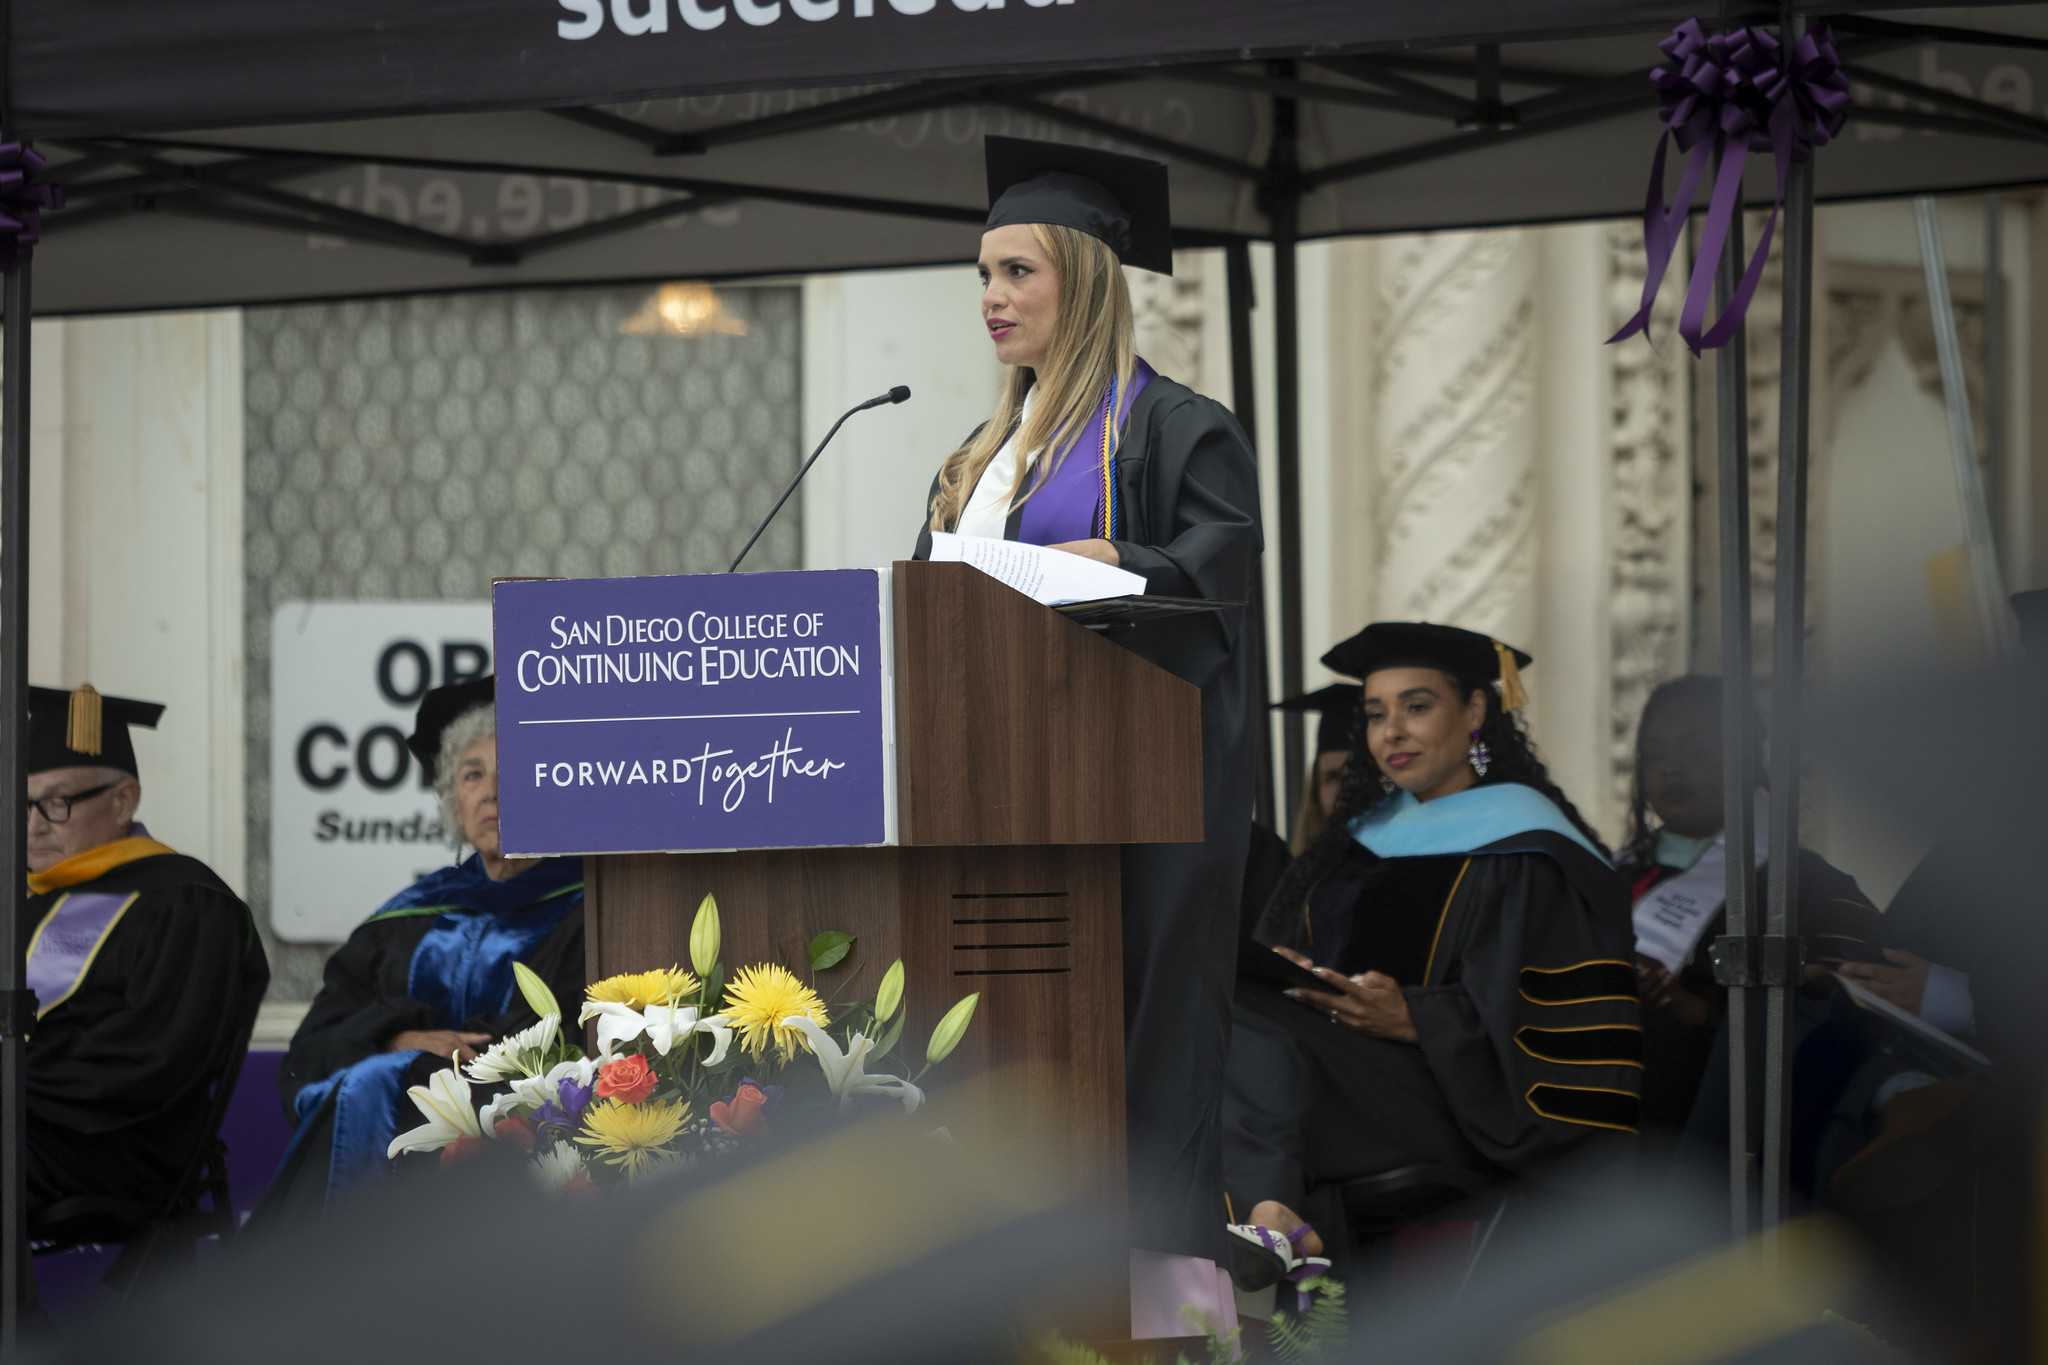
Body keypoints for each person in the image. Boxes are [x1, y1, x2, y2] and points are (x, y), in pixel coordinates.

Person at [910, 137, 1262, 1318]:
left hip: (1140, 802)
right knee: (1014, 1053)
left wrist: (1124, 562)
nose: (992, 300)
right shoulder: (975, 456)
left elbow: (1217, 585)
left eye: (1017, 272)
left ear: (1085, 279)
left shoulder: (1172, 429)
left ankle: (1166, 1320)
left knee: (1144, 1058)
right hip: (1000, 800)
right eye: (982, 276)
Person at [1224, 623, 1634, 1284]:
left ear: (1474, 710)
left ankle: (1270, 1217)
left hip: (1460, 1103)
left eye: (1416, 706)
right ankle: (1264, 1217)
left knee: (1249, 1032)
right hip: (1342, 1084)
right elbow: (1286, 946)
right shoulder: (1354, 843)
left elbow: (1563, 1035)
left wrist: (1417, 1017)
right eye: (1375, 714)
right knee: (1225, 1001)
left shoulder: (1530, 849)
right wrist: (1293, 969)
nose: (1391, 731)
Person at [258, 676, 585, 1219]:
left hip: (513, 1166)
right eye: (472, 774)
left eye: (512, 773)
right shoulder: (408, 915)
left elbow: (565, 1034)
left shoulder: (586, 907)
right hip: (392, 1157)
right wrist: (399, 1039)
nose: (491, 791)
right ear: (453, 802)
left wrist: (410, 1068)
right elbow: (315, 1045)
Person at [20, 684, 268, 1225]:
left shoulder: (185, 902)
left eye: (55, 802)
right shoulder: (29, 904)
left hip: (114, 1144)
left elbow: (150, 1057)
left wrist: (15, 1081)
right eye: (23, 801)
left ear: (123, 800)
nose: (34, 823)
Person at [1616, 676, 1878, 1148]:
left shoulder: (1804, 886)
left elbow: (1846, 1018)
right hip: (1594, 1132)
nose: (1672, 768)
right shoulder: (1608, 874)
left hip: (1716, 1146)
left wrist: (1695, 1009)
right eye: (1656, 754)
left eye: (1697, 752)